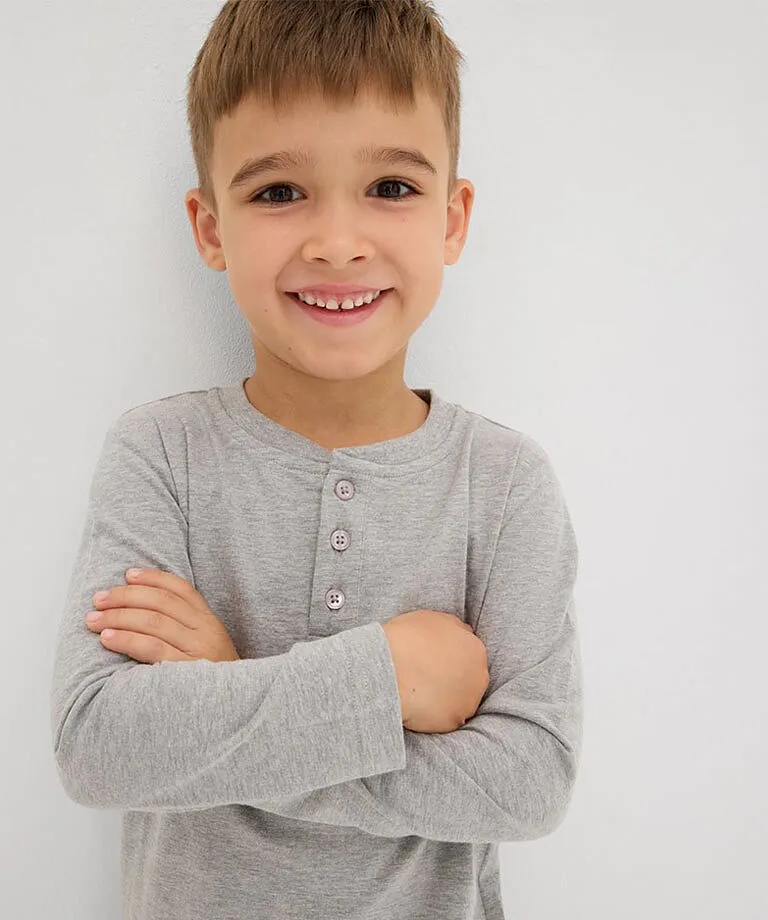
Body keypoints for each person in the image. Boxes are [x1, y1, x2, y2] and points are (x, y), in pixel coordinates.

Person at [50, 2, 582, 918]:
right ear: (210, 227)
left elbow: (528, 783)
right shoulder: (161, 456)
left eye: (391, 187)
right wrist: (391, 677)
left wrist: (224, 692)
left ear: (453, 219)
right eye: (278, 192)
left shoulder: (504, 485)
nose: (338, 242)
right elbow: (101, 746)